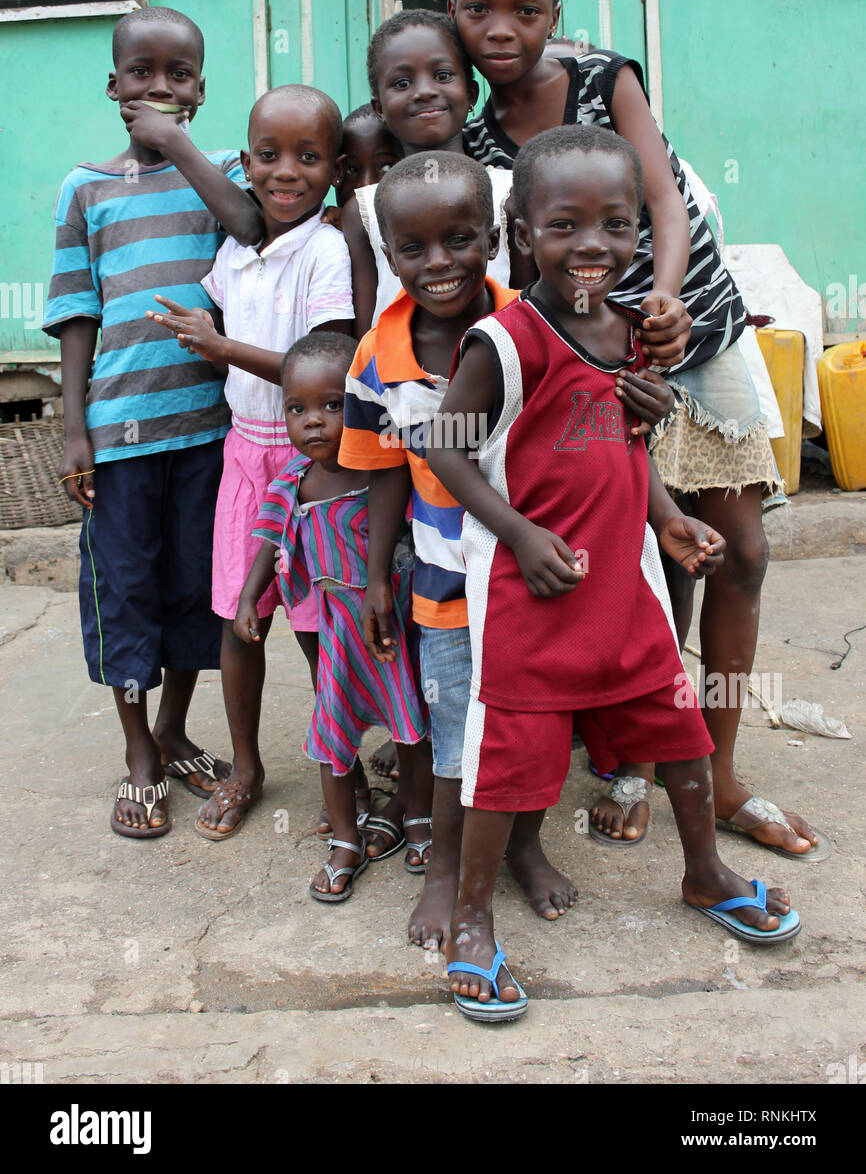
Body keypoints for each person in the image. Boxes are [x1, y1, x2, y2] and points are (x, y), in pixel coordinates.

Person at [451, 0, 821, 859]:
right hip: (586, 357)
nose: (501, 29)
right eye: (478, 10)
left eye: (525, 10)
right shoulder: (464, 124)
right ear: (454, 17)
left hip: (684, 323)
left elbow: (662, 194)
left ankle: (724, 771)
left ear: (556, 17)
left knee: (738, 550)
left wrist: (663, 298)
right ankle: (639, 760)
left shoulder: (604, 77)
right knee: (644, 559)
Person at [428, 126, 801, 1021]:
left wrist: (670, 519)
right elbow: (441, 449)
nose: (592, 245)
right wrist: (517, 535)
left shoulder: (637, 338)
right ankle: (472, 920)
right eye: (565, 225)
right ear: (522, 235)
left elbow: (631, 452)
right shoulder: (504, 343)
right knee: (509, 757)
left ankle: (705, 873)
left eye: (616, 225)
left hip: (626, 588)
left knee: (679, 732)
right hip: (531, 594)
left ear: (642, 232)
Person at [339, 149, 673, 945]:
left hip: (536, 581)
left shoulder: (541, 327)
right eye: (412, 249)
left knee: (536, 727)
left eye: (459, 240)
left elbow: (607, 432)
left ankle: (524, 848)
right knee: (462, 731)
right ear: (388, 256)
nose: (439, 264)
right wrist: (376, 577)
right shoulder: (375, 359)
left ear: (495, 240)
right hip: (446, 584)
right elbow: (386, 472)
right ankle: (451, 873)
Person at [43, 5, 264, 837]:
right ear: (114, 87)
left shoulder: (222, 173)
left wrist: (180, 151)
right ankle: (139, 751)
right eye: (143, 73)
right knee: (124, 593)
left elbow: (248, 227)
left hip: (210, 431)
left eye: (179, 75)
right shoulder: (84, 190)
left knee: (194, 592)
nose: (160, 88)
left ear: (201, 91)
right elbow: (73, 314)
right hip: (123, 436)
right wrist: (75, 430)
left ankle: (174, 726)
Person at [146, 84, 365, 841]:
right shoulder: (236, 250)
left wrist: (224, 346)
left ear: (334, 168)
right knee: (238, 622)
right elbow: (218, 333)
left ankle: (346, 765)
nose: (286, 173)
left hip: (312, 471)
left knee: (316, 627)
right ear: (245, 163)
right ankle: (247, 767)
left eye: (308, 158)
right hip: (245, 455)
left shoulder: (328, 250)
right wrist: (209, 338)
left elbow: (321, 370)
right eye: (268, 156)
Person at [234, 333, 430, 899]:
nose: (313, 422)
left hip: (392, 629)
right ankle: (345, 838)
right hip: (338, 636)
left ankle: (418, 816)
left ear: (362, 406)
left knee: (412, 730)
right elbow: (270, 545)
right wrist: (249, 599)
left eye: (332, 405)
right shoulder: (290, 484)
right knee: (332, 739)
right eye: (298, 409)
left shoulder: (384, 476)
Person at [341, 10, 516, 339]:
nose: (423, 91)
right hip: (397, 384)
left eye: (443, 76)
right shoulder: (362, 210)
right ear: (379, 109)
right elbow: (366, 330)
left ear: (472, 95)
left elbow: (528, 307)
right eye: (402, 83)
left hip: (502, 377)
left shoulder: (508, 193)